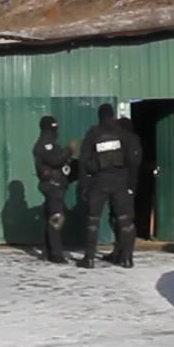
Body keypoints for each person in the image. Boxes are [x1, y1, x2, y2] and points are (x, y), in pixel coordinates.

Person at [78, 103, 135, 269]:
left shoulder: (93, 133)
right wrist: (131, 184)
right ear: (113, 115)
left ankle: (89, 259)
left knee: (93, 220)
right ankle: (127, 258)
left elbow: (83, 160)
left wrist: (84, 185)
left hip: (99, 181)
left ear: (99, 116)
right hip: (120, 181)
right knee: (124, 220)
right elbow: (132, 160)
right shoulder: (122, 134)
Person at [31, 115, 74, 263]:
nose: (55, 131)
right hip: (52, 185)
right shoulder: (44, 144)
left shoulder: (50, 143)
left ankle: (47, 250)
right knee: (56, 218)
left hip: (55, 184)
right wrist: (68, 150)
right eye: (53, 128)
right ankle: (56, 253)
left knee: (50, 217)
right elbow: (56, 160)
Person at [108, 113, 145, 267]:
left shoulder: (129, 141)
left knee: (124, 220)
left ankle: (126, 255)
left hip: (123, 185)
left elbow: (133, 165)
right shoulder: (126, 140)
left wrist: (130, 186)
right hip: (121, 185)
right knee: (117, 218)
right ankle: (119, 251)